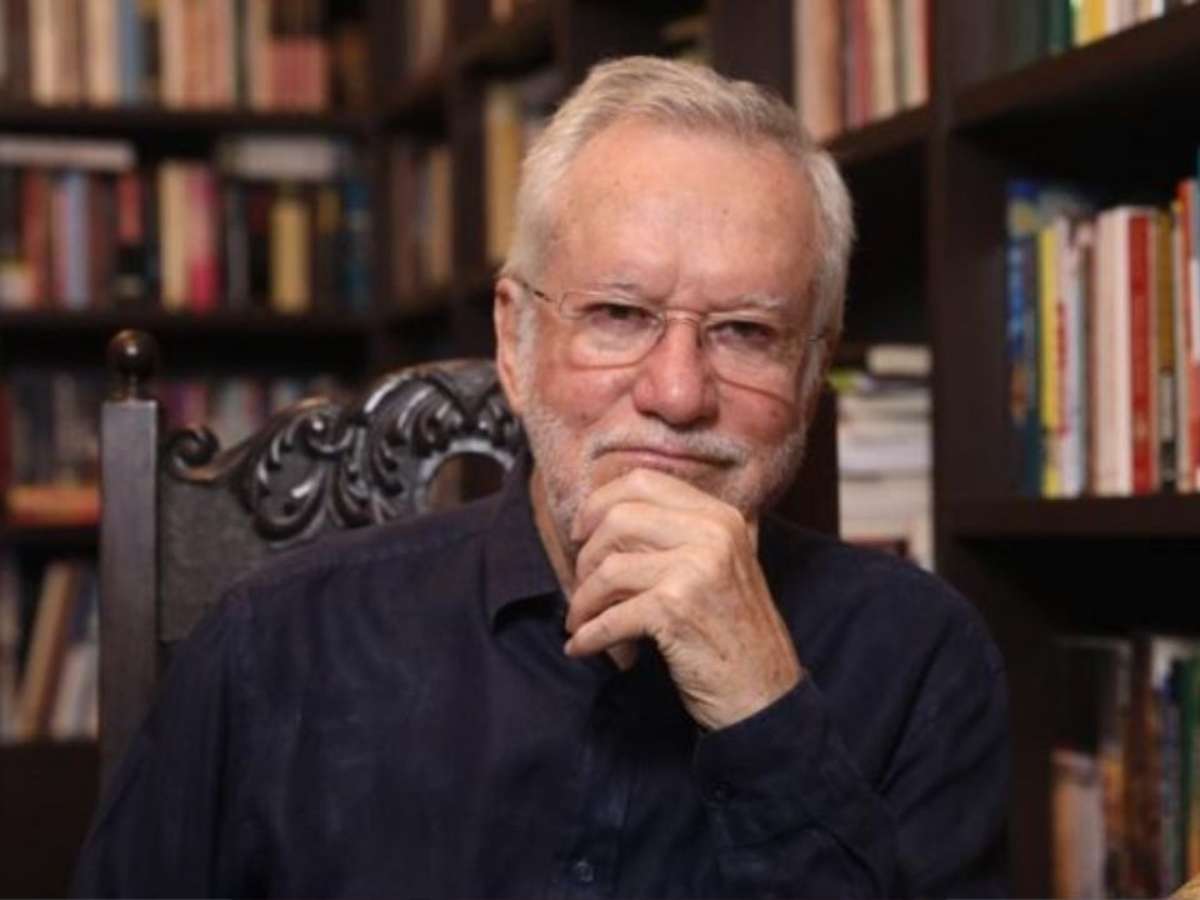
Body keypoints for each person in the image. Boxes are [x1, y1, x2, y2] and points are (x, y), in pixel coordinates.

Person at [74, 57, 1009, 898]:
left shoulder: (924, 661)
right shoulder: (273, 648)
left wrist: (764, 711)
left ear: (811, 375)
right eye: (619, 314)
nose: (677, 393)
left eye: (746, 332)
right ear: (515, 343)